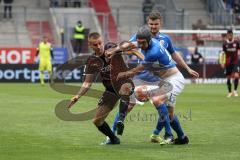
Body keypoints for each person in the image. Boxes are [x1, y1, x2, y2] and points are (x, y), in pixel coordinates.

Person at [111, 12, 199, 145]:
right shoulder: (140, 36)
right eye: (151, 24)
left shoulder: (164, 40)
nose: (153, 27)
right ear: (147, 24)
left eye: (156, 24)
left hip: (163, 78)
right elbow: (128, 47)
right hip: (144, 77)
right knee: (128, 104)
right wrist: (115, 50)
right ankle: (112, 136)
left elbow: (173, 55)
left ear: (160, 24)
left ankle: (169, 134)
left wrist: (187, 68)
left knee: (164, 107)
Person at [68, 32, 137, 145]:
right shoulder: (92, 60)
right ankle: (114, 139)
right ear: (90, 45)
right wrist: (77, 96)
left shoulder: (111, 47)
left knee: (124, 87)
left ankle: (120, 119)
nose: (99, 46)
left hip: (125, 82)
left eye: (100, 43)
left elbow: (129, 45)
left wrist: (117, 49)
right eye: (95, 45)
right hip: (110, 91)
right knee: (97, 121)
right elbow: (87, 83)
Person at [222, 29, 239, 97]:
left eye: (231, 34)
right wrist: (222, 62)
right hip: (228, 62)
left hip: (235, 62)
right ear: (227, 35)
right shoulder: (225, 44)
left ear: (232, 34)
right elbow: (223, 53)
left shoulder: (236, 42)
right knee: (228, 78)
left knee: (236, 76)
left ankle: (235, 91)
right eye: (228, 34)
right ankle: (229, 92)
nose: (230, 35)